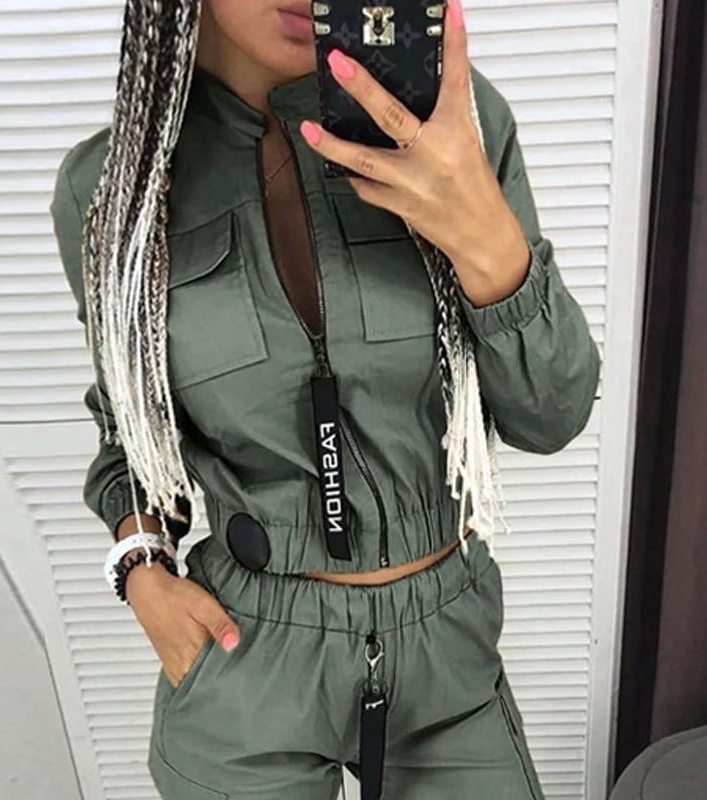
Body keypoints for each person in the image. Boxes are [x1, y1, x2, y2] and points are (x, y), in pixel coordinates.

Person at [49, 0, 601, 798]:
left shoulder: (448, 125)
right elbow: (130, 431)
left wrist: (486, 240)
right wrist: (140, 570)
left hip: (447, 655)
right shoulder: (115, 190)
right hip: (245, 662)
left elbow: (551, 415)